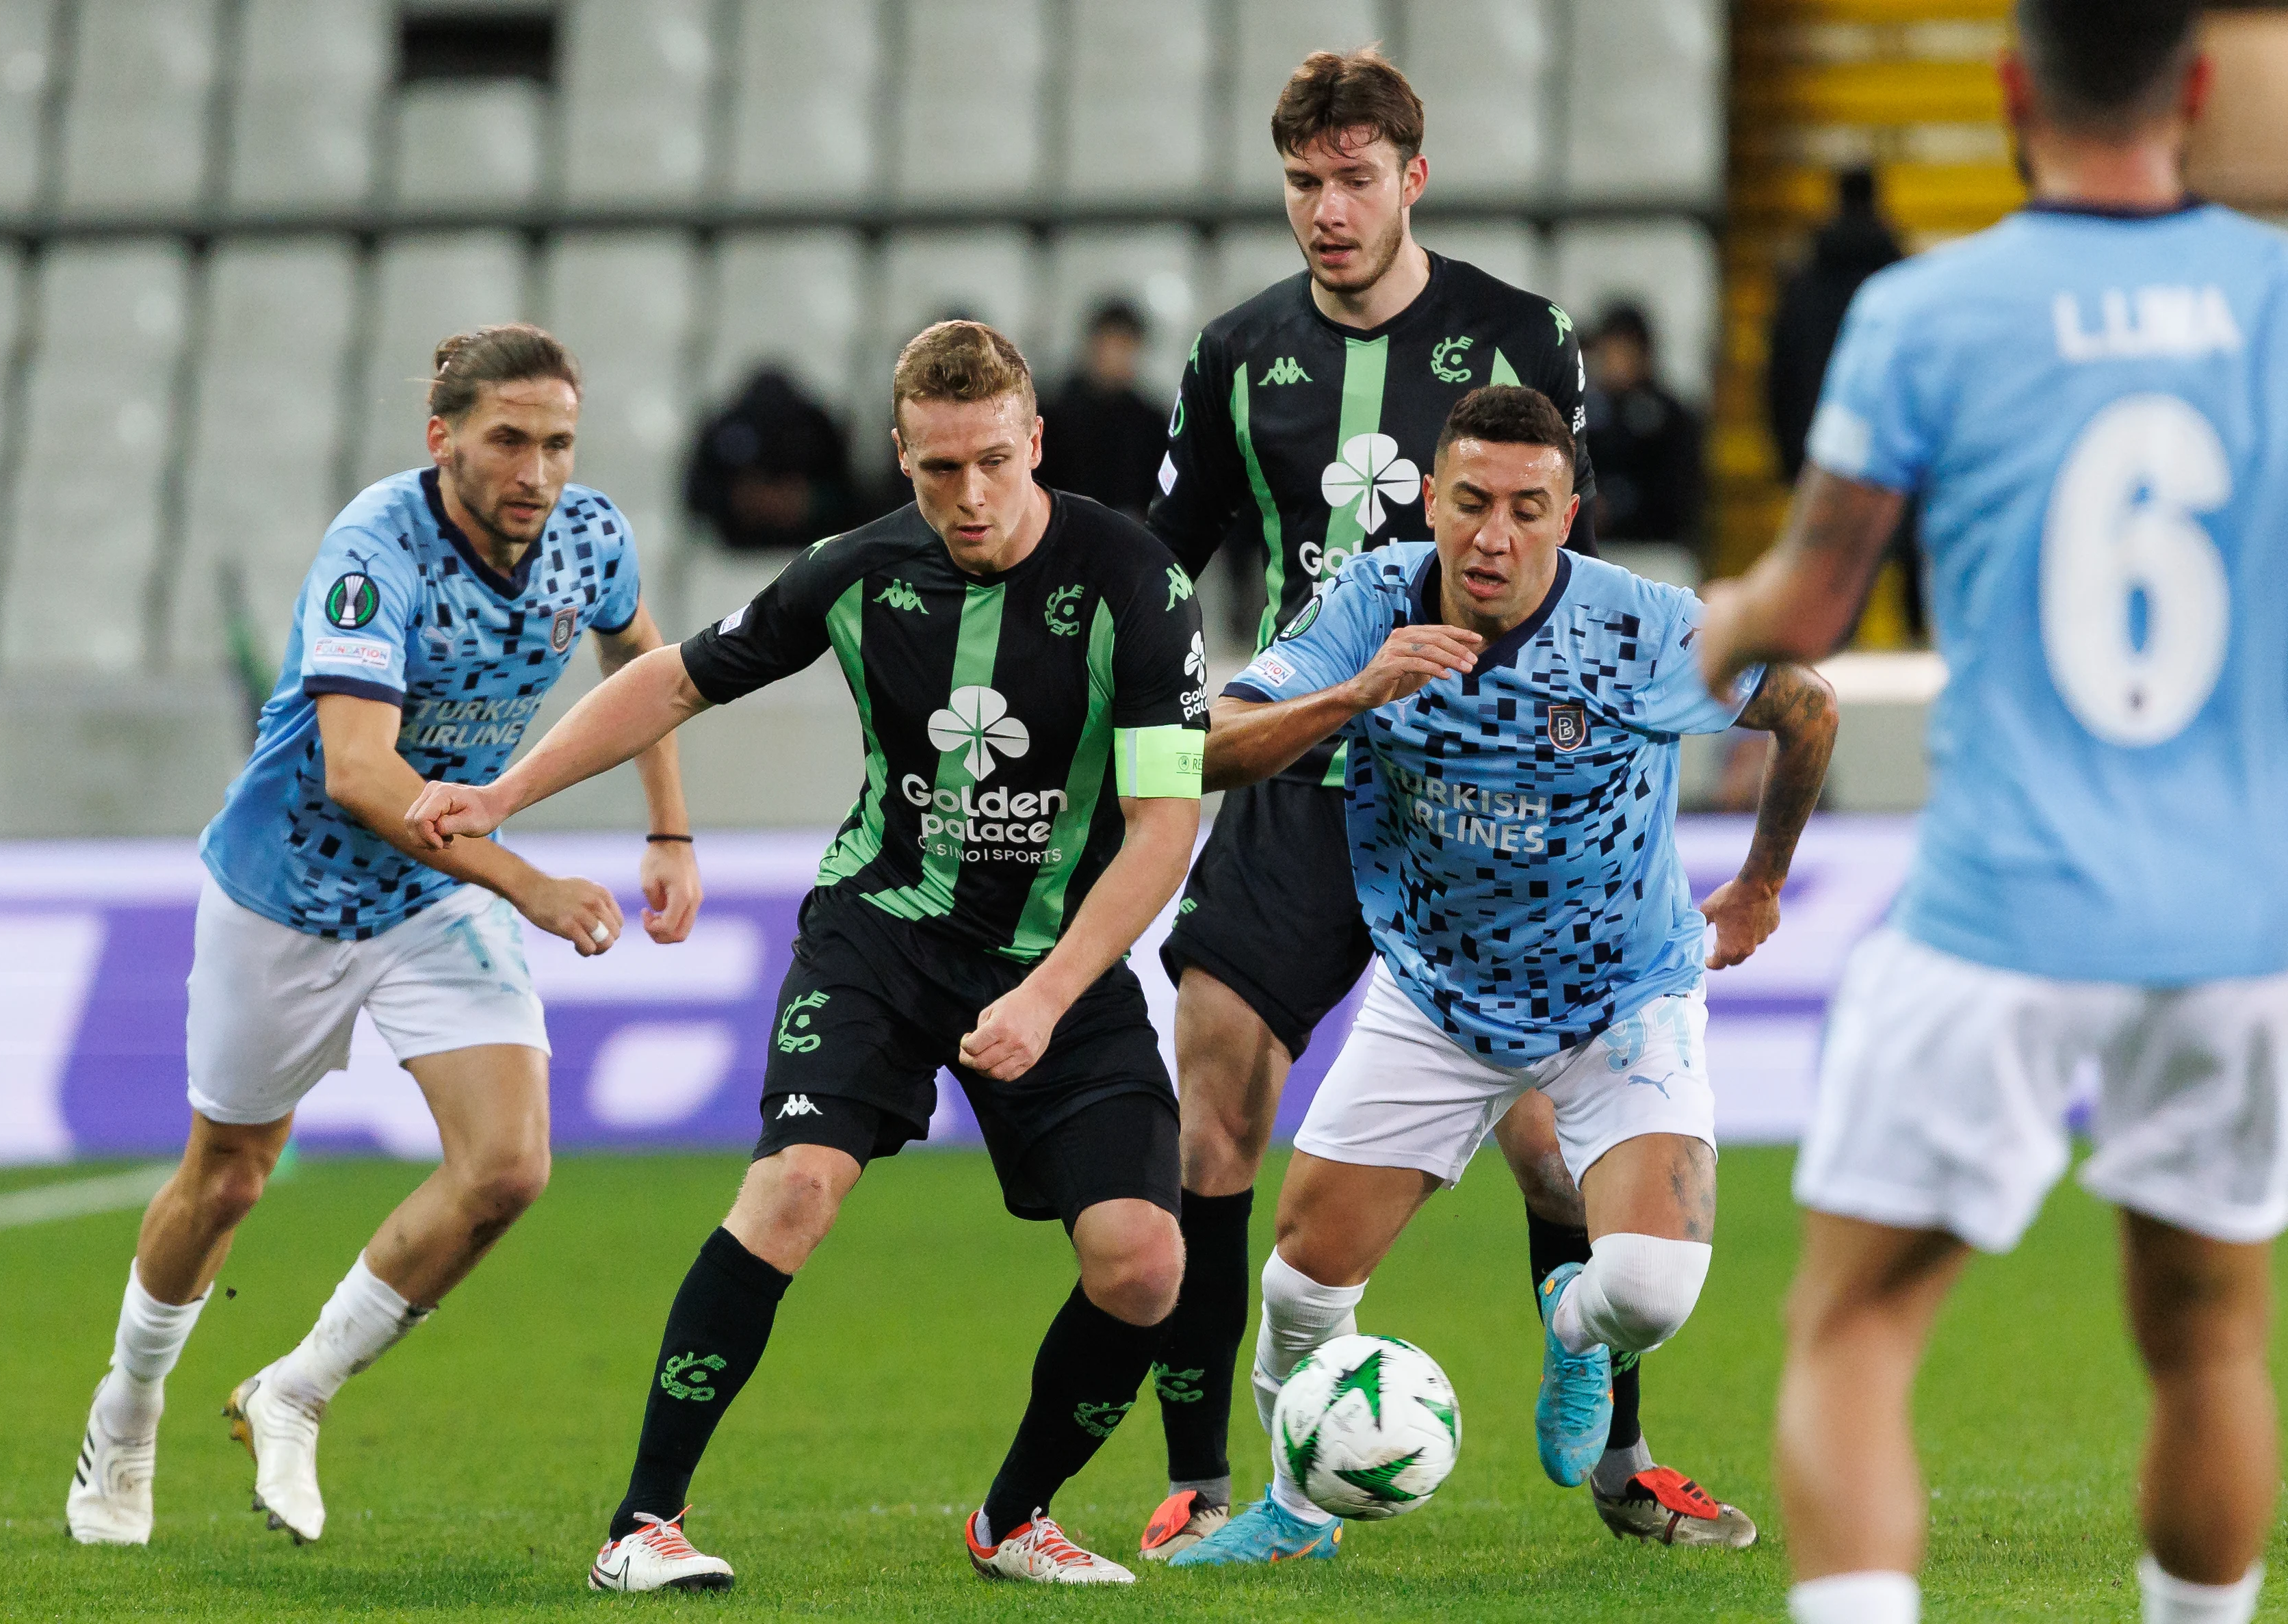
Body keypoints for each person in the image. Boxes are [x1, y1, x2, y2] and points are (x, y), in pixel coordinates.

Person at [404, 320, 1209, 1592]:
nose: (969, 494)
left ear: (1035, 441)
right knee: (792, 1190)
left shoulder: (1136, 581)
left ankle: (1014, 1517)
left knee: (1143, 1261)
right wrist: (505, 793)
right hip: (877, 935)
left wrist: (1048, 997)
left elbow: (1165, 827)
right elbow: (671, 680)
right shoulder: (858, 568)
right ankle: (643, 1522)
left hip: (1058, 958)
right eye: (937, 469)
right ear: (899, 456)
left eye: (993, 460)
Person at [1696, 3, 2288, 1620]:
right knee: (2210, 1338)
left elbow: (1813, 600)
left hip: (2000, 908)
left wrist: (1722, 620)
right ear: (2200, 87)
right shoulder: (2275, 300)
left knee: (1857, 1326)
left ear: (2011, 88)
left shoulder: (1926, 312)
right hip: (2240, 927)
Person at [1139, 45, 1756, 1556]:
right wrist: (1169, 750)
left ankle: (1620, 1451)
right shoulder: (1234, 352)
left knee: (1555, 1139)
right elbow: (1164, 566)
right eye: (1303, 182)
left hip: (1479, 782)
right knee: (1216, 1087)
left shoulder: (1516, 332)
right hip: (1312, 754)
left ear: (1411, 177)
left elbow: (1570, 563)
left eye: (1355, 179)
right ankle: (1213, 1474)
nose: (1328, 210)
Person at [1171, 385, 1834, 1565]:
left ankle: (1571, 1330)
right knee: (1296, 1292)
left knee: (1647, 1292)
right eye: (1468, 502)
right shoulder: (1370, 601)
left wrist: (1761, 881)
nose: (1492, 535)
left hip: (1618, 1002)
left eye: (1527, 509)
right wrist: (1354, 691)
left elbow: (1807, 707)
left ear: (1566, 513)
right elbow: (1204, 746)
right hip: (1431, 997)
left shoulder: (1642, 629)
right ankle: (1293, 1510)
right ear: (1426, 499)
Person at [63, 324, 702, 1547]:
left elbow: (644, 659)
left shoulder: (588, 533)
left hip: (433, 893)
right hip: (289, 891)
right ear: (442, 437)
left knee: (509, 1166)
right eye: (507, 439)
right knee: (229, 1176)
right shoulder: (374, 549)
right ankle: (128, 1404)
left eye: (557, 441)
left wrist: (668, 831)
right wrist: (525, 880)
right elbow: (359, 771)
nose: (535, 469)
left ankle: (293, 1388)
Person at [1765, 168, 1927, 641]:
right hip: (1902, 450)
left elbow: (1780, 374)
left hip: (1823, 450)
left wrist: (1788, 456)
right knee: (1909, 578)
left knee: (1831, 578)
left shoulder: (1803, 283)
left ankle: (1829, 679)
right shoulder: (1903, 283)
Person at [684, 365, 861, 551]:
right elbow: (695, 498)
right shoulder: (719, 432)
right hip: (733, 554)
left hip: (813, 555)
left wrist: (810, 501)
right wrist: (739, 500)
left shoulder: (821, 430)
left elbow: (852, 498)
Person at [1583, 301, 1706, 553]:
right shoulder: (1575, 414)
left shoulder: (1673, 420)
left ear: (1644, 354)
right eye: (1608, 352)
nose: (1615, 363)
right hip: (1589, 551)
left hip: (1655, 552)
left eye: (1624, 352)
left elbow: (1679, 498)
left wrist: (1619, 511)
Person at [1039, 300, 1169, 521]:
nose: (1117, 357)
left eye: (1126, 347)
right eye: (1112, 345)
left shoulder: (1151, 422)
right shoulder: (1053, 415)